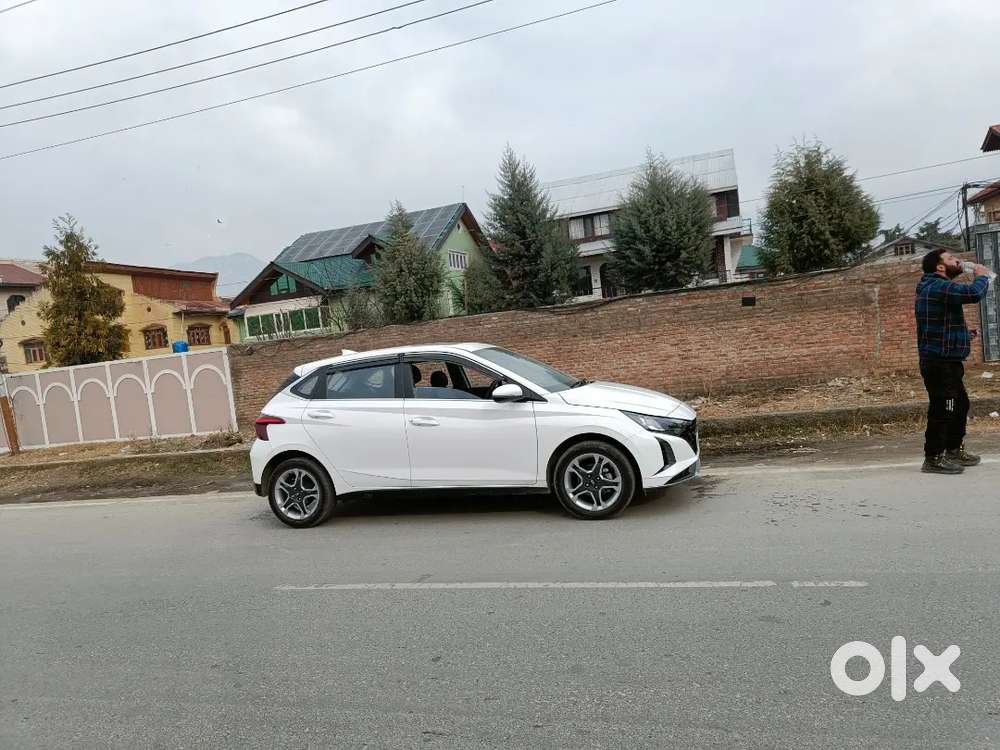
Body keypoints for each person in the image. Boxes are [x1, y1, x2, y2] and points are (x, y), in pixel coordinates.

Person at [915, 249, 991, 474]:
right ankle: (933, 458)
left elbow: (938, 325)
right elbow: (972, 294)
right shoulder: (938, 286)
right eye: (950, 258)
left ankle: (953, 450)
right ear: (940, 267)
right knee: (944, 407)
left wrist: (966, 335)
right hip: (939, 363)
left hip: (947, 360)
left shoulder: (936, 287)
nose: (957, 260)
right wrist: (982, 276)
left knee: (959, 405)